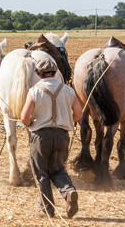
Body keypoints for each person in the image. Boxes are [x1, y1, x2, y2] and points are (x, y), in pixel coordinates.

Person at [20, 58, 82, 218]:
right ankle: (69, 192)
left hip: (41, 136)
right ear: (55, 72)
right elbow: (78, 114)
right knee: (58, 169)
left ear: (39, 74)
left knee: (41, 173)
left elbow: (24, 118)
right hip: (62, 135)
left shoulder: (34, 91)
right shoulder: (68, 90)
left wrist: (31, 123)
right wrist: (66, 121)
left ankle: (48, 210)